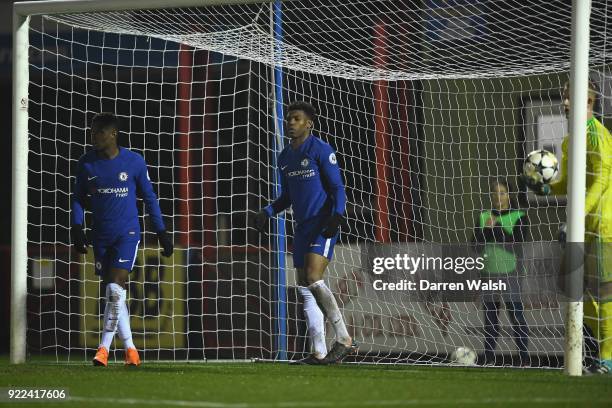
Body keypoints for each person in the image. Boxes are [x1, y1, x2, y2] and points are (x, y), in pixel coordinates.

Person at [254, 101, 356, 365]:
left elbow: (338, 187)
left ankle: (344, 339)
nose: (291, 122)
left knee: (313, 276)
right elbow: (287, 196)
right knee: (305, 286)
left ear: (309, 124)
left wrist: (337, 215)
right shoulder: (284, 157)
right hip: (301, 227)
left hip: (323, 223)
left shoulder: (320, 149)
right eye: (289, 119)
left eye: (296, 119)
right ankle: (319, 351)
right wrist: (267, 211)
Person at [523, 80, 612, 373]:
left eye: (570, 97)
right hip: (582, 227)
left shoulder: (598, 135)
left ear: (588, 100)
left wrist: (578, 214)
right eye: (564, 96)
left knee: (604, 296)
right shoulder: (568, 140)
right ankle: (595, 357)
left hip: (603, 226)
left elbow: (602, 180)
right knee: (581, 296)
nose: (564, 102)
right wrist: (545, 188)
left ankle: (608, 359)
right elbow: (568, 183)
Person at [72, 112, 173, 367]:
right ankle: (131, 350)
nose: (93, 136)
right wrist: (77, 227)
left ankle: (103, 349)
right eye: (92, 132)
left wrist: (161, 232)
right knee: (114, 295)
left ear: (113, 134)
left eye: (99, 132)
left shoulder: (134, 162)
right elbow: (78, 198)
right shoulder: (86, 164)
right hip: (100, 237)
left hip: (127, 234)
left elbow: (149, 198)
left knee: (115, 287)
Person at [473, 179, 529, 366]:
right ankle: (488, 357)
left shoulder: (519, 216)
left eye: (502, 192)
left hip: (510, 274)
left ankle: (524, 358)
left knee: (516, 315)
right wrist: (486, 231)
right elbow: (474, 246)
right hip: (488, 273)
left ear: (509, 195)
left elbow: (516, 246)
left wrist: (496, 228)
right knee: (490, 319)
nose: (498, 196)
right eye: (495, 192)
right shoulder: (483, 217)